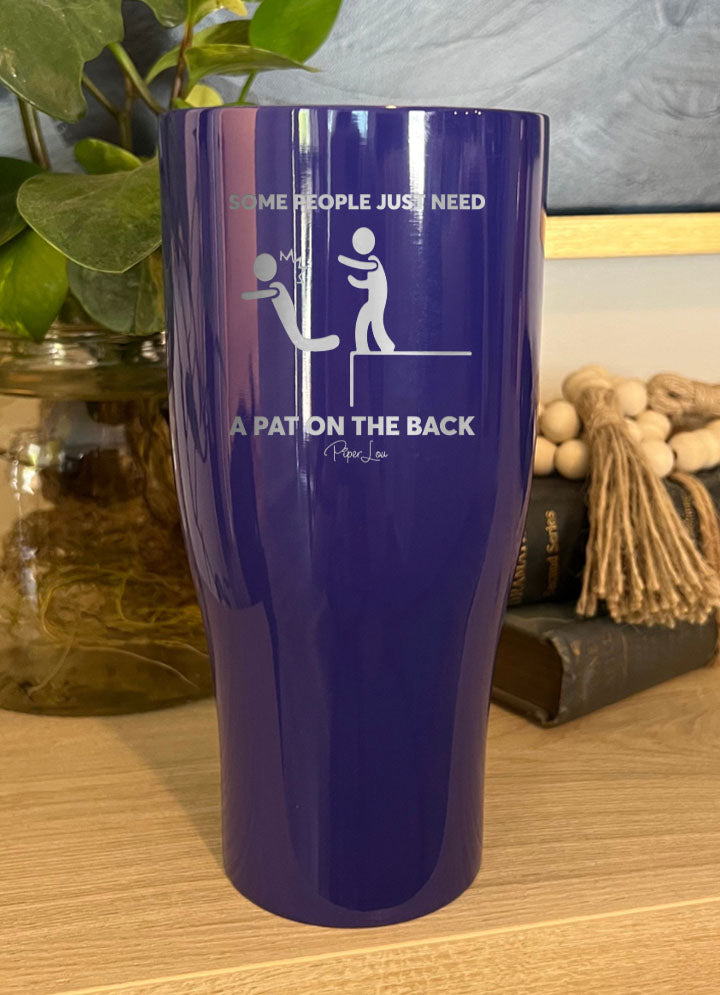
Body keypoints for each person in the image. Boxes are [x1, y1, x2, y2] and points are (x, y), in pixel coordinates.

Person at [242, 253, 339, 352]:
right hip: (284, 317)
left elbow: (251, 295)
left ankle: (328, 342)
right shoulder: (276, 286)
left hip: (287, 315)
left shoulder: (277, 287)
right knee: (299, 340)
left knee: (299, 340)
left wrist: (248, 295)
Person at [338, 227, 396, 353]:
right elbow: (369, 284)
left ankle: (384, 346)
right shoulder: (373, 267)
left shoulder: (374, 262)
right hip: (373, 301)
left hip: (377, 302)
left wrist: (344, 260)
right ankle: (365, 347)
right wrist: (355, 282)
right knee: (366, 321)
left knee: (374, 324)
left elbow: (363, 266)